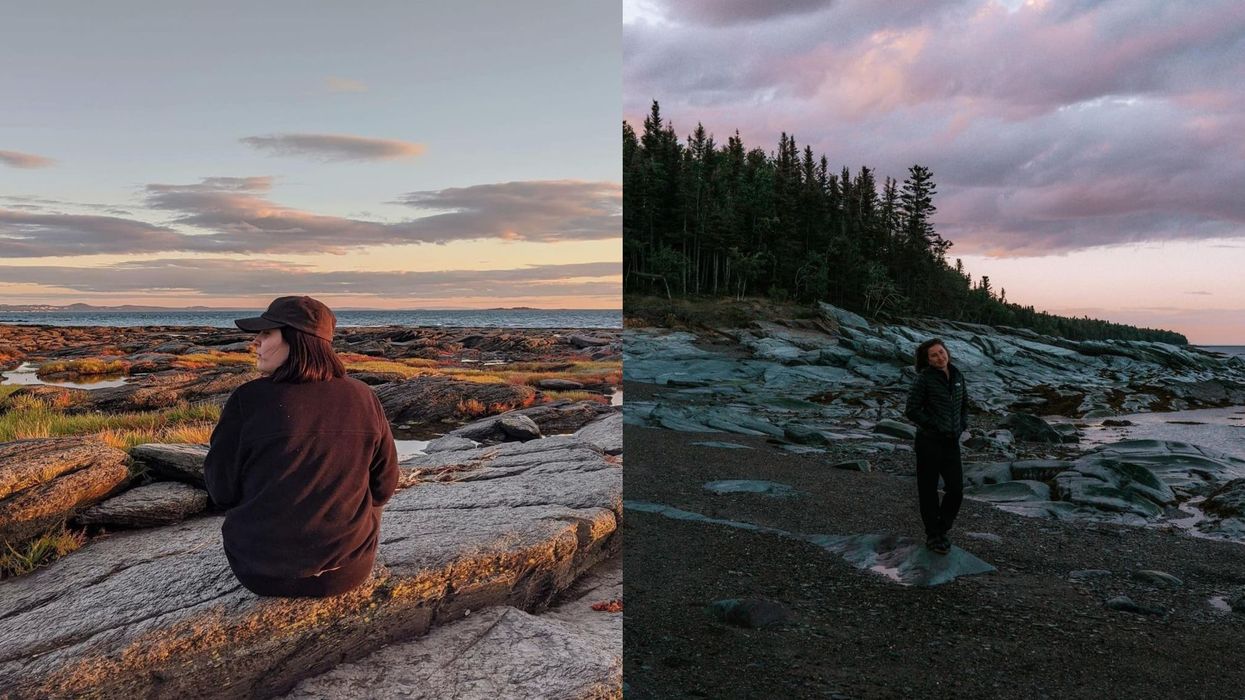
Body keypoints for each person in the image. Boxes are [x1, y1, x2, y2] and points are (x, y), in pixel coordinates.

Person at [204, 295, 399, 597]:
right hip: (346, 573)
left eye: (266, 333)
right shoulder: (363, 396)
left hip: (259, 574)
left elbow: (221, 491)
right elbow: (385, 487)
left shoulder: (248, 400)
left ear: (295, 339)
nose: (255, 341)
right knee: (369, 500)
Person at [903, 338, 968, 555]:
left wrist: (961, 426)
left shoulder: (957, 375)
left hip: (951, 442)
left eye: (941, 352)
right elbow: (911, 409)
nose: (940, 357)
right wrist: (934, 425)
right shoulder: (924, 379)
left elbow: (964, 406)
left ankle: (942, 529)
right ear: (927, 360)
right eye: (934, 355)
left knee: (956, 490)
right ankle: (933, 535)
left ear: (947, 352)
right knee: (928, 490)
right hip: (929, 442)